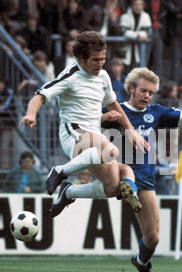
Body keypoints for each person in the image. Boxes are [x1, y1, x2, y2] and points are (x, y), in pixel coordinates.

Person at [101, 67, 182, 272]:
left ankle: (140, 262)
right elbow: (85, 123)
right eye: (143, 91)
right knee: (117, 181)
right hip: (118, 173)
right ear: (132, 89)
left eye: (151, 92)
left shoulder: (156, 112)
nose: (147, 96)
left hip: (145, 182)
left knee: (153, 238)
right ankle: (76, 185)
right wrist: (104, 117)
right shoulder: (116, 110)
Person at [19, 31, 149, 217]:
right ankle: (60, 171)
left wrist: (131, 131)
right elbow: (40, 95)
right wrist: (31, 114)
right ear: (81, 58)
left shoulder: (103, 76)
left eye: (103, 58)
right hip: (73, 134)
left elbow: (112, 103)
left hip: (94, 141)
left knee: (112, 187)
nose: (101, 63)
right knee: (112, 151)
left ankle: (68, 191)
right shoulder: (70, 76)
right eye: (95, 59)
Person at [119, 0, 152, 73]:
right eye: (136, 5)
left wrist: (137, 35)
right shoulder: (125, 16)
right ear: (132, 5)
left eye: (140, 5)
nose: (138, 7)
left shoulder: (146, 17)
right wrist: (138, 36)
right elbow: (125, 33)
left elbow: (147, 33)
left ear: (143, 6)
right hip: (126, 50)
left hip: (139, 52)